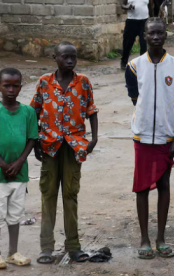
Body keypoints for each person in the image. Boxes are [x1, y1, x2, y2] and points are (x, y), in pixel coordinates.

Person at [125, 17, 174, 260]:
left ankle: (161, 238)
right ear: (144, 35)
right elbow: (135, 98)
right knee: (142, 188)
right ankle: (144, 239)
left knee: (163, 185)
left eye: (160, 33)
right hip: (141, 135)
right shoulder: (134, 66)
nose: (156, 37)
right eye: (151, 33)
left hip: (166, 136)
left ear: (166, 35)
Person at [30, 42, 99, 264]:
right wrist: (34, 143)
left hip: (74, 147)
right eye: (65, 57)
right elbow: (33, 112)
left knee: (70, 195)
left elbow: (91, 111)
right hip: (49, 146)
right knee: (48, 195)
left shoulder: (83, 82)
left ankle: (73, 246)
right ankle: (46, 248)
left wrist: (94, 138)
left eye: (73, 57)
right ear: (55, 58)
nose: (70, 61)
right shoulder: (44, 82)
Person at [0, 68, 38, 270]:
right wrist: (2, 164)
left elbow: (31, 139)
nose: (11, 89)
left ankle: (13, 252)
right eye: (6, 85)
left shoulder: (28, 112)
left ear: (21, 86)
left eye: (15, 85)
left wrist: (20, 161)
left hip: (19, 174)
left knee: (15, 214)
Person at [121, 0, 151, 69]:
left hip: (144, 22)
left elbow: (151, 6)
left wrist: (152, 20)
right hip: (131, 22)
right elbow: (122, 5)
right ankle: (124, 62)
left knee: (143, 44)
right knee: (128, 43)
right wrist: (128, 7)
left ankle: (142, 64)